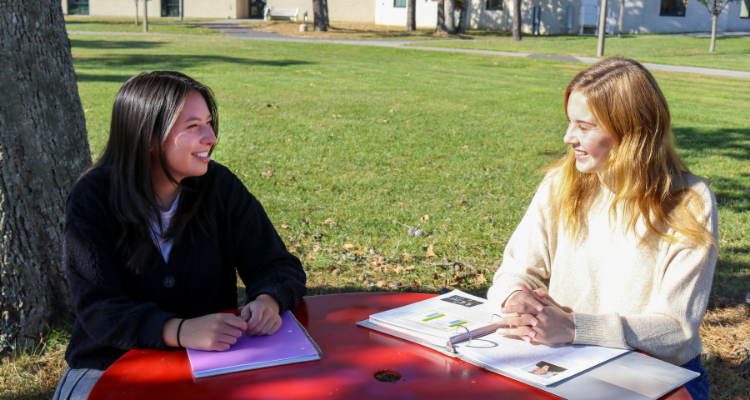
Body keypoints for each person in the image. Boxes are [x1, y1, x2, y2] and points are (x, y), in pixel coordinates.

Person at [54, 71, 307, 400]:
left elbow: (278, 265)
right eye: (193, 126)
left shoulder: (219, 186)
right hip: (108, 365)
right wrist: (179, 330)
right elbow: (99, 309)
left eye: (208, 122)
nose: (211, 136)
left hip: (210, 365)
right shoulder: (94, 197)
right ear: (147, 136)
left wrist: (267, 300)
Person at [487, 57, 717, 400]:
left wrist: (577, 328)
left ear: (632, 131)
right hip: (566, 361)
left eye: (584, 126)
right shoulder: (560, 184)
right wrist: (518, 298)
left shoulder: (688, 201)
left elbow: (677, 329)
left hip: (660, 377)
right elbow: (516, 270)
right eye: (569, 123)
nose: (568, 137)